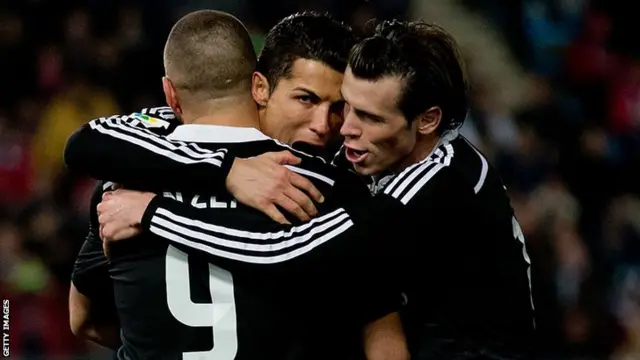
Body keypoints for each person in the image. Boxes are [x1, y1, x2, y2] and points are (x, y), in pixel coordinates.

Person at [97, 20, 536, 359]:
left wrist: (154, 213)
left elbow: (284, 252)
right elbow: (94, 142)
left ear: (427, 121)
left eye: (369, 118)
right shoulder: (384, 156)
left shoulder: (432, 186)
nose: (343, 131)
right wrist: (221, 166)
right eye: (347, 107)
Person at [69, 10, 405, 360]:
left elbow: (83, 320)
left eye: (339, 108)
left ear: (172, 93)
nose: (324, 125)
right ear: (258, 87)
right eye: (305, 99)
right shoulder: (327, 190)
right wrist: (227, 171)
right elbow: (381, 334)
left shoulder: (124, 187)